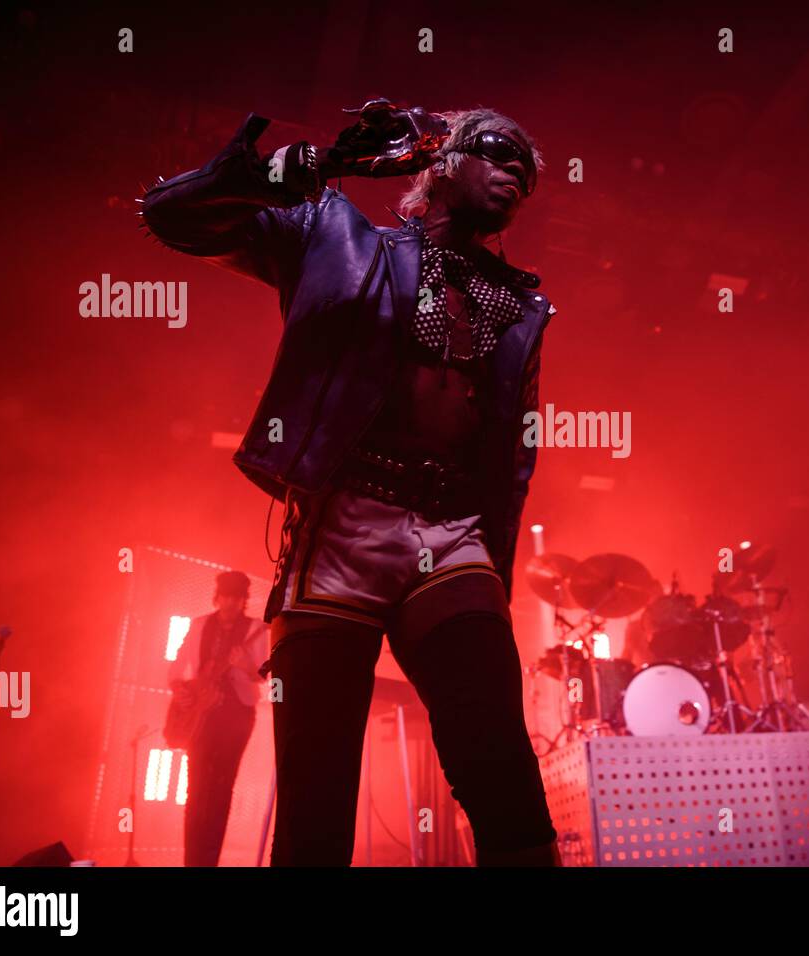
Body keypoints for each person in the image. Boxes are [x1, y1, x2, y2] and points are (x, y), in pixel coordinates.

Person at [141, 100, 560, 865]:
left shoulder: (519, 307)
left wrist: (496, 568)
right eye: (498, 153)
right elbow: (174, 216)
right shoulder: (335, 235)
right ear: (440, 161)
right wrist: (309, 168)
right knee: (316, 800)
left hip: (451, 535)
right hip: (339, 533)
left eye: (526, 173)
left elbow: (515, 456)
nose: (516, 175)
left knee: (501, 769)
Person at [168, 570, 269, 866]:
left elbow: (262, 674)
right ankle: (192, 860)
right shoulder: (199, 625)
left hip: (237, 714)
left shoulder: (256, 629)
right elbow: (177, 667)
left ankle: (209, 861)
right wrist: (180, 690)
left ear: (243, 600)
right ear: (218, 596)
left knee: (222, 788)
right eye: (226, 596)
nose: (230, 603)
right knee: (196, 788)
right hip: (201, 714)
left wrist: (245, 665)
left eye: (236, 598)